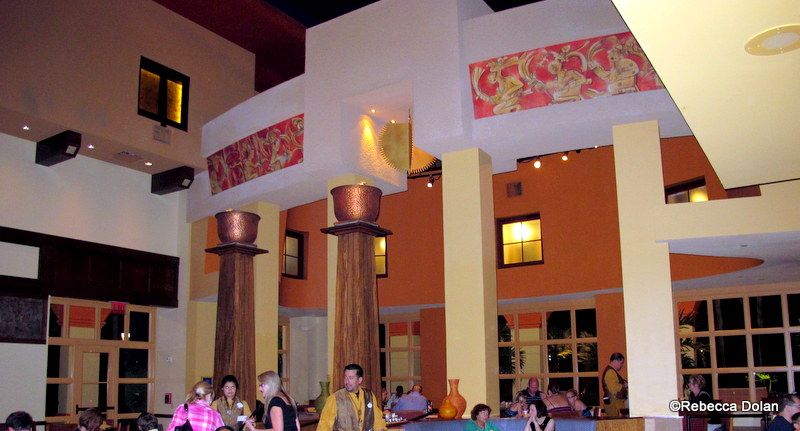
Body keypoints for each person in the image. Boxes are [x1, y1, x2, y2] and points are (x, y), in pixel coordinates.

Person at [317, 363, 386, 431]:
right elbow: (324, 425)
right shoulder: (335, 398)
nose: (347, 381)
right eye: (345, 377)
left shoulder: (369, 395)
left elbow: (378, 420)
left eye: (351, 378)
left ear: (359, 380)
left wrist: (380, 429)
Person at [601, 352, 628, 417]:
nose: (621, 365)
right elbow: (613, 389)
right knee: (615, 421)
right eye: (621, 363)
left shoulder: (611, 371)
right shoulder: (610, 372)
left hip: (611, 401)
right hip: (613, 402)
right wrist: (624, 385)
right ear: (615, 361)